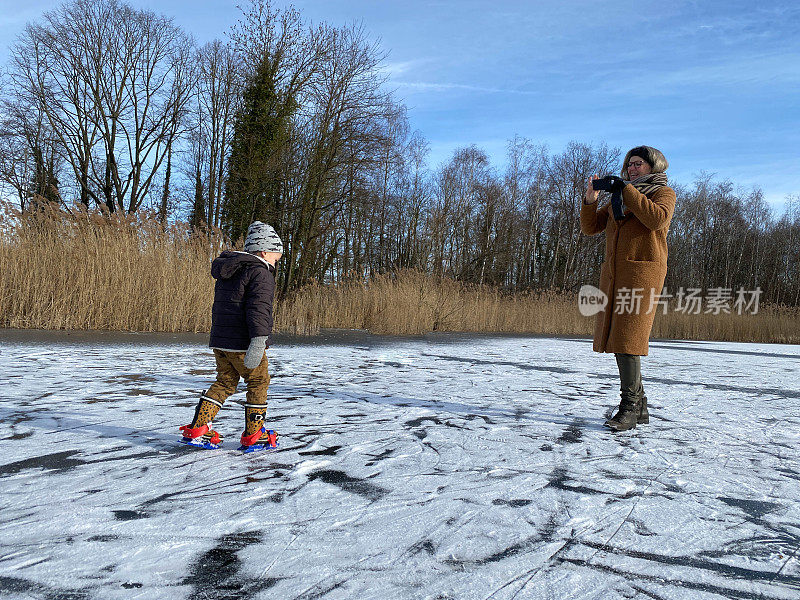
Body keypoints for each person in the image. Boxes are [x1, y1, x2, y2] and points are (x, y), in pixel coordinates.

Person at [581, 146, 676, 431]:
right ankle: (641, 406)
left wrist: (627, 190)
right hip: (615, 275)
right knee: (619, 339)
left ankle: (630, 407)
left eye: (638, 164)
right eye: (629, 165)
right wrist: (590, 199)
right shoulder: (620, 199)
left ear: (654, 166)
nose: (632, 169)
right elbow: (591, 227)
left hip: (642, 274)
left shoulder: (663, 193)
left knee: (628, 339)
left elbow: (657, 219)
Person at [179, 221, 283, 449]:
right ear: (264, 251)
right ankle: (255, 433)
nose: (277, 261)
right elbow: (259, 309)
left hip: (222, 341)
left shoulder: (232, 270)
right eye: (276, 256)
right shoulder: (260, 272)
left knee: (225, 381)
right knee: (258, 380)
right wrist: (258, 341)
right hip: (244, 342)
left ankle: (198, 427)